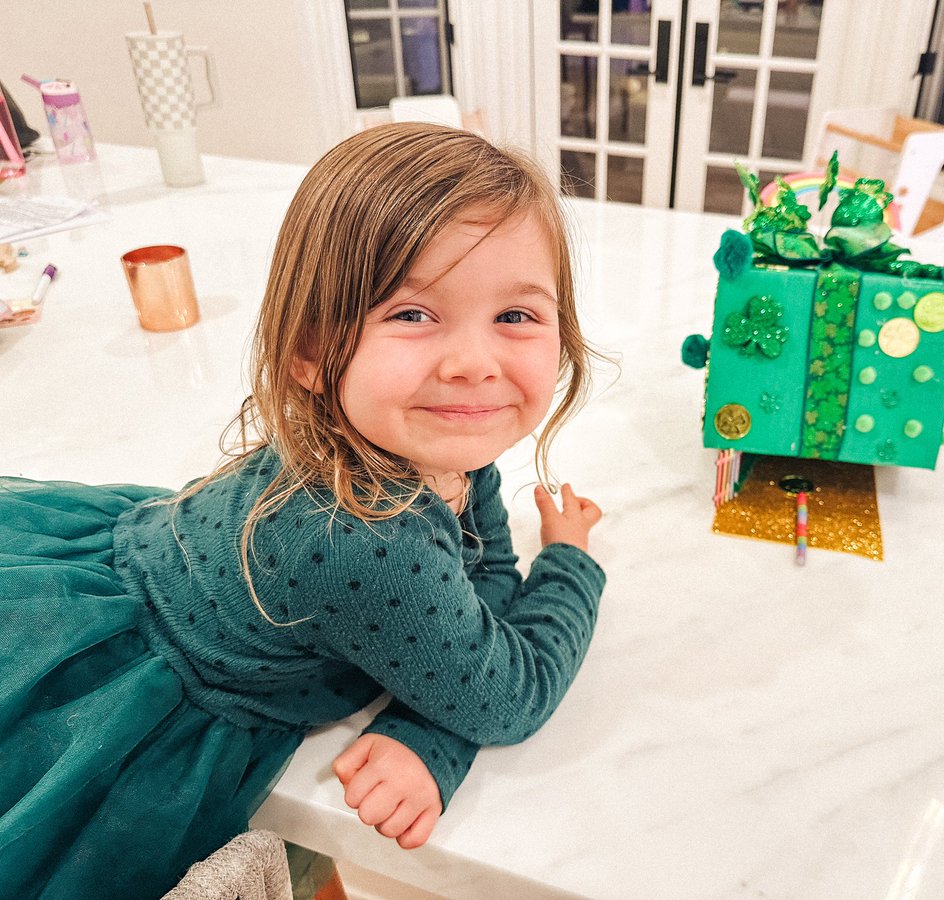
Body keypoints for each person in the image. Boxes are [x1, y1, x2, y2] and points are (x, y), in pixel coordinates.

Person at [0, 122, 605, 899]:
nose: (475, 363)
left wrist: (432, 722)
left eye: (516, 316)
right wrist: (573, 563)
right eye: (412, 314)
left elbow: (478, 575)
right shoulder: (367, 540)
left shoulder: (425, 435)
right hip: (118, 700)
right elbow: (509, 693)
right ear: (311, 353)